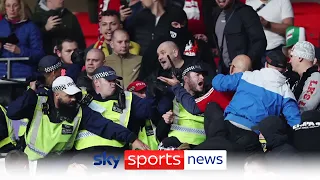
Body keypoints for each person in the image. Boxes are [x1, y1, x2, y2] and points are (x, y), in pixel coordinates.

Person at [6, 76, 148, 170]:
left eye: (75, 95)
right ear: (57, 94)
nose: (73, 99)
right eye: (69, 95)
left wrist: (131, 138)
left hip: (61, 162)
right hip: (33, 164)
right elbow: (12, 112)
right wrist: (31, 92)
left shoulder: (79, 110)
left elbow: (104, 125)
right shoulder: (36, 102)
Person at [211, 50, 301, 154]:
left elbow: (218, 83)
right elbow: (295, 122)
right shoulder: (286, 91)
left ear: (266, 64)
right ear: (285, 69)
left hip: (228, 125)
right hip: (252, 136)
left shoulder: (247, 76)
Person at [74, 66, 157, 151]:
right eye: (109, 80)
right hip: (86, 150)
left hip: (115, 149)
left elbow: (150, 111)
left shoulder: (127, 98)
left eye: (114, 80)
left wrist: (153, 92)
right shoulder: (81, 97)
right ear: (96, 82)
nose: (113, 83)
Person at [203, 0, 267, 74]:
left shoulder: (246, 12)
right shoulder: (215, 14)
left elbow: (260, 41)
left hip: (245, 72)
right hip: (225, 71)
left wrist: (246, 63)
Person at [156, 64, 207, 147]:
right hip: (176, 146)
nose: (202, 77)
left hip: (200, 149)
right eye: (197, 75)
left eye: (202, 75)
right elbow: (160, 134)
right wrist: (165, 122)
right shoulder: (172, 99)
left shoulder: (206, 98)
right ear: (186, 79)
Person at [0, 0, 45, 79]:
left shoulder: (31, 27)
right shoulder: (1, 26)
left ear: (20, 6)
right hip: (2, 75)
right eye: (8, 6)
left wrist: (20, 51)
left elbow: (39, 54)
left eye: (15, 5)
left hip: (24, 76)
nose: (11, 9)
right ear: (4, 8)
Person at [246, 0, 294, 66]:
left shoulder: (283, 1)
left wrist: (266, 24)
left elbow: (290, 28)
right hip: (255, 49)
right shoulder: (249, 2)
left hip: (276, 47)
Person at [289, 41, 320, 112]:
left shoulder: (315, 77)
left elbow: (305, 108)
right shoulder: (300, 79)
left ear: (300, 58)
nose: (290, 61)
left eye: (292, 56)